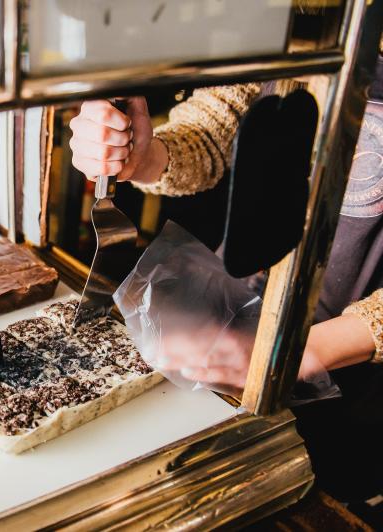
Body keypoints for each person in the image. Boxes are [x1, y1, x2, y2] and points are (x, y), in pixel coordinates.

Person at [69, 60, 383, 503]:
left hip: (353, 381)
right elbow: (220, 121)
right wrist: (147, 156)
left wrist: (298, 353)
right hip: (233, 320)